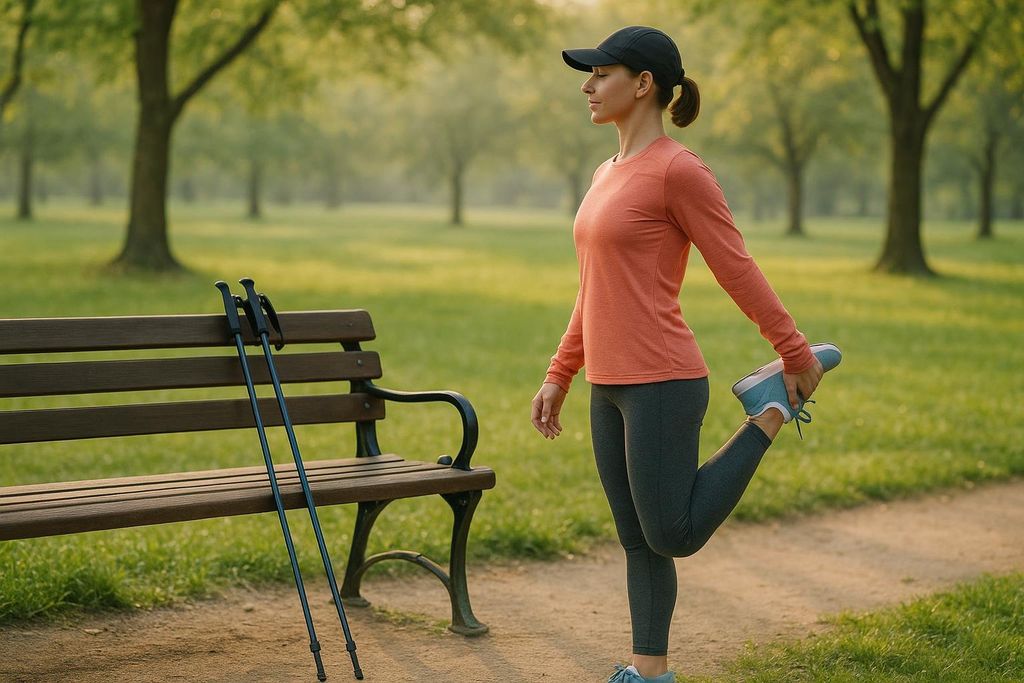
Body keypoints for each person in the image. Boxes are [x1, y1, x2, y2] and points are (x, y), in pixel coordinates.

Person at [530, 26, 842, 682]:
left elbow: (736, 266)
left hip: (663, 381)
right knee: (638, 539)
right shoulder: (605, 172)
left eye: (601, 74)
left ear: (643, 84)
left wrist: (793, 352)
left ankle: (771, 410)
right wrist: (561, 372)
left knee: (673, 532)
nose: (587, 86)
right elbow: (592, 288)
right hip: (608, 385)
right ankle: (651, 671)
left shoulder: (679, 170)